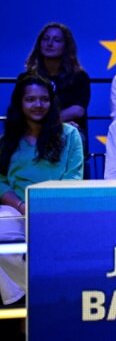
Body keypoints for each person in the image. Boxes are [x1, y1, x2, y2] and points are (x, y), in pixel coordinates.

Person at [0, 73, 84, 305]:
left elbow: (73, 177)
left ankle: (30, 302)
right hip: (18, 209)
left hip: (58, 206)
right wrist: (21, 205)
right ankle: (32, 296)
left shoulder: (70, 134)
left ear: (51, 101)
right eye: (30, 99)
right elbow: (1, 181)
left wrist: (42, 205)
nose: (38, 105)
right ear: (20, 103)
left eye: (44, 99)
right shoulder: (7, 140)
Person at [24, 22, 91, 150]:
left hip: (66, 130)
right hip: (34, 130)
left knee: (70, 136)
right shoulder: (29, 77)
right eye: (46, 39)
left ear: (66, 46)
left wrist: (47, 123)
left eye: (56, 40)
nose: (49, 44)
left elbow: (77, 110)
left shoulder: (79, 76)